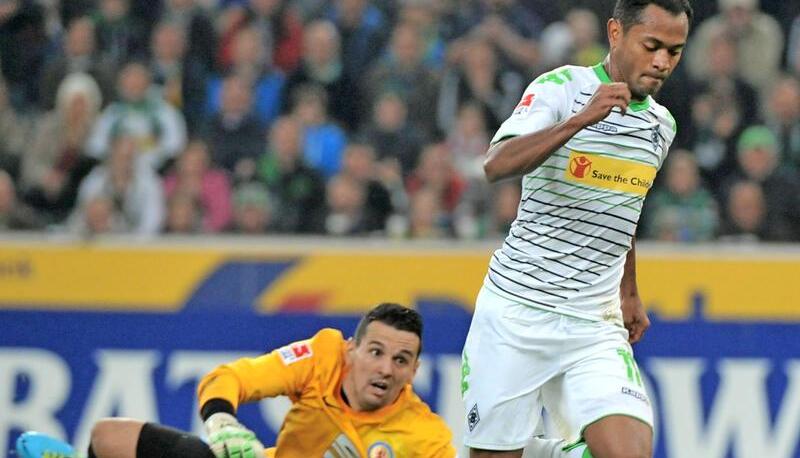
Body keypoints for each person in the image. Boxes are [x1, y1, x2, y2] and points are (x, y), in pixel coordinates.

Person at [460, 1, 692, 457]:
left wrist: (629, 290)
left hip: (594, 321)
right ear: (615, 33)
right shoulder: (560, 89)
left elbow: (625, 208)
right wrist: (579, 120)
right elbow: (496, 165)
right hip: (516, 313)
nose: (662, 62)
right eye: (652, 46)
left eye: (675, 51)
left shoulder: (661, 126)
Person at [20, 303, 456, 458]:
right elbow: (229, 379)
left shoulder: (426, 438)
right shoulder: (322, 357)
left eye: (401, 360)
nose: (385, 369)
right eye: (376, 352)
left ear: (413, 372)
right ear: (351, 350)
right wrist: (222, 423)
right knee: (106, 437)